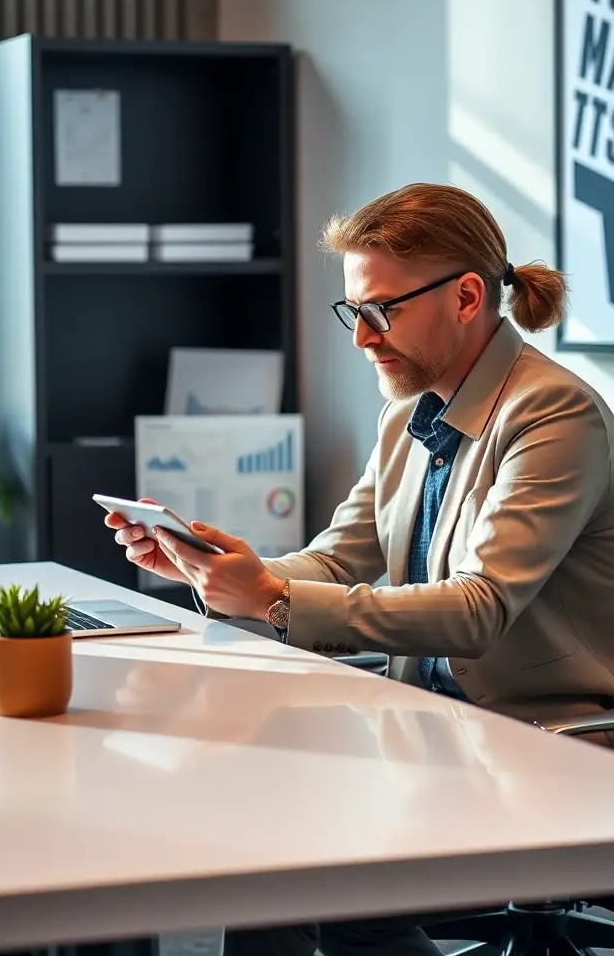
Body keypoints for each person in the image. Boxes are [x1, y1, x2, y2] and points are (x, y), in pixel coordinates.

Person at [104, 183, 614, 955]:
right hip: (435, 722)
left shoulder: (553, 415)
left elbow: (479, 609)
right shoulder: (408, 415)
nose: (362, 337)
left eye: (380, 312)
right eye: (355, 313)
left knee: (311, 854)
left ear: (467, 296)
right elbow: (339, 559)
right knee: (258, 824)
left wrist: (273, 599)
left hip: (543, 734)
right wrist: (212, 566)